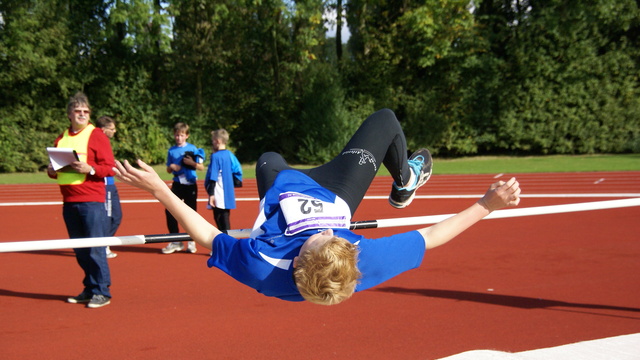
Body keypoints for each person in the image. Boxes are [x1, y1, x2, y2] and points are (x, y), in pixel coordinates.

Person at [114, 109, 520, 305]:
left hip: (281, 188)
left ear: (296, 263)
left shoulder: (260, 266)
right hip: (339, 191)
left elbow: (206, 235)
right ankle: (405, 181)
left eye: (319, 240)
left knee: (269, 155)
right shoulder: (360, 261)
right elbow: (431, 237)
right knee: (385, 121)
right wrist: (488, 203)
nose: (327, 232)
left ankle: (282, 170)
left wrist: (157, 189)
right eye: (335, 236)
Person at [47, 92, 116, 309]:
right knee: (80, 250)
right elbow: (56, 171)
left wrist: (91, 168)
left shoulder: (96, 135)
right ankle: (89, 288)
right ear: (69, 114)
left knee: (95, 248)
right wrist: (51, 170)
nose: (82, 115)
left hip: (91, 201)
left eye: (86, 111)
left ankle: (102, 291)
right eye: (78, 111)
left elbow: (110, 167)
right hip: (69, 201)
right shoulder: (62, 138)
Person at [161, 122, 205, 254]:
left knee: (191, 213)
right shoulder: (171, 150)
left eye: (181, 135)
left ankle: (192, 241)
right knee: (170, 210)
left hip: (190, 184)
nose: (178, 138)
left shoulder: (193, 149)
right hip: (177, 184)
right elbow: (168, 169)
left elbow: (201, 167)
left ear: (187, 136)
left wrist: (191, 163)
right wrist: (172, 168)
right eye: (176, 135)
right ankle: (175, 241)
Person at [204, 129, 243, 230]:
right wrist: (235, 182)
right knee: (225, 217)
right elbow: (238, 170)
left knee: (219, 218)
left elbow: (213, 175)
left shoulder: (216, 156)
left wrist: (211, 193)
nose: (212, 143)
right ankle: (227, 242)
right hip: (227, 191)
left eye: (213, 140)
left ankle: (227, 243)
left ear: (217, 141)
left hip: (218, 191)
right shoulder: (230, 155)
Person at [96, 115, 122, 259]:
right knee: (110, 217)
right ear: (103, 130)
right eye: (112, 129)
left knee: (116, 216)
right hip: (106, 185)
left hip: (111, 183)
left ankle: (102, 243)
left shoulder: (104, 142)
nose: (115, 131)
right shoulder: (99, 141)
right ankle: (102, 245)